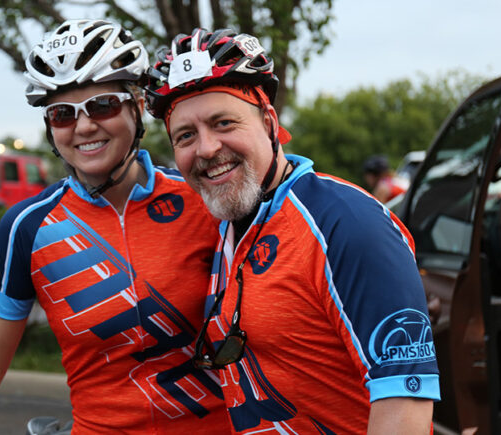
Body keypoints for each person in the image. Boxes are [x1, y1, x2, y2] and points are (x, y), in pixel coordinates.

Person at [0, 19, 230, 434]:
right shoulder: (27, 227)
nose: (84, 127)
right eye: (63, 114)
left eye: (103, 105)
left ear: (138, 106)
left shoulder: (206, 199)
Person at [144, 28, 440, 434]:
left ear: (268, 121)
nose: (207, 148)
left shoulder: (345, 222)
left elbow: (404, 406)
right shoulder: (230, 226)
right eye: (186, 136)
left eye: (224, 122)